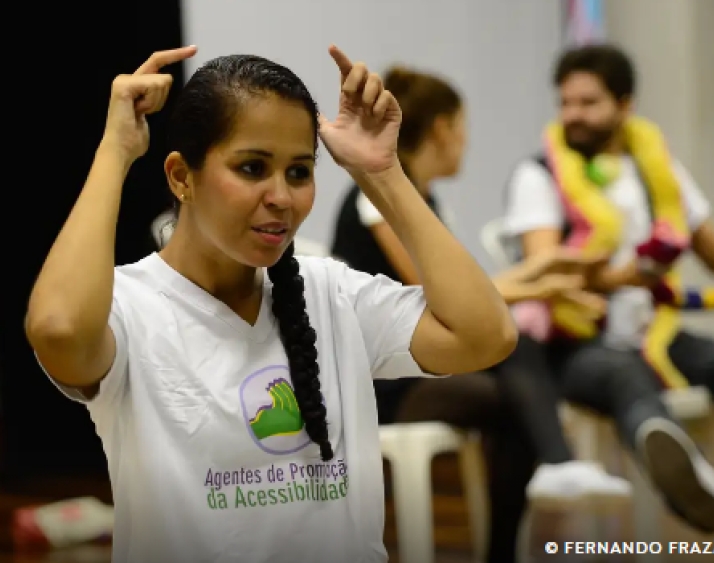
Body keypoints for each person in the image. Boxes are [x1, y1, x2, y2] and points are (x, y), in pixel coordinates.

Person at [24, 45, 520, 563]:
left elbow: (486, 336)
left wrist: (382, 172)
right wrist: (115, 151)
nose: (281, 196)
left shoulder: (332, 292)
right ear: (181, 177)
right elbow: (58, 329)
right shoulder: (131, 305)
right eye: (252, 167)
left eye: (299, 172)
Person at [501, 43, 714, 534]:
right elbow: (543, 272)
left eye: (588, 103)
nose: (572, 115)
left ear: (626, 106)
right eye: (565, 103)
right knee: (626, 379)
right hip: (575, 343)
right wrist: (624, 277)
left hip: (657, 333)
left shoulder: (658, 171)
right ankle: (686, 472)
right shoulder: (538, 175)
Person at [329, 65, 630, 561]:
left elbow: (470, 297)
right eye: (464, 127)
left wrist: (547, 276)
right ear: (444, 128)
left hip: (425, 364)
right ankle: (552, 467)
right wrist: (543, 279)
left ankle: (519, 525)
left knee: (511, 376)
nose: (466, 141)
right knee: (513, 376)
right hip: (385, 378)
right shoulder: (376, 198)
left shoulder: (425, 201)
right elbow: (432, 297)